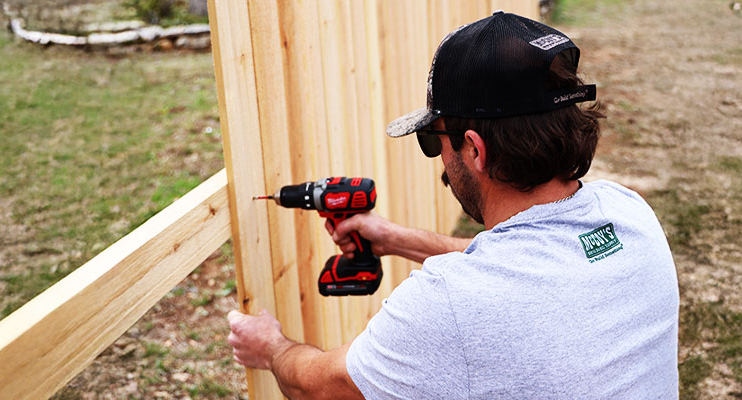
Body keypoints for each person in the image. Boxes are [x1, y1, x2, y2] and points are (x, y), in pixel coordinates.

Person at [227, 11, 679, 399]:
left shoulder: (450, 305)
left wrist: (270, 346)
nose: (438, 158)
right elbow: (525, 271)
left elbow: (322, 387)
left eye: (432, 139)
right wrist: (397, 239)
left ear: (475, 150)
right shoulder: (628, 213)